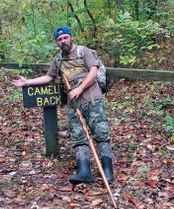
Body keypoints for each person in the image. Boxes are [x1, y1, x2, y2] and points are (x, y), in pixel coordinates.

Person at [12, 26, 113, 184]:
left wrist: (80, 88)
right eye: (59, 40)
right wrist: (27, 82)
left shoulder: (83, 52)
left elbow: (93, 72)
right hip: (73, 104)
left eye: (65, 37)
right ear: (56, 42)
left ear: (71, 37)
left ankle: (107, 171)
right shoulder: (58, 60)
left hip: (92, 99)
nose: (63, 41)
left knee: (101, 133)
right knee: (78, 136)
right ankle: (84, 171)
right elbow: (48, 77)